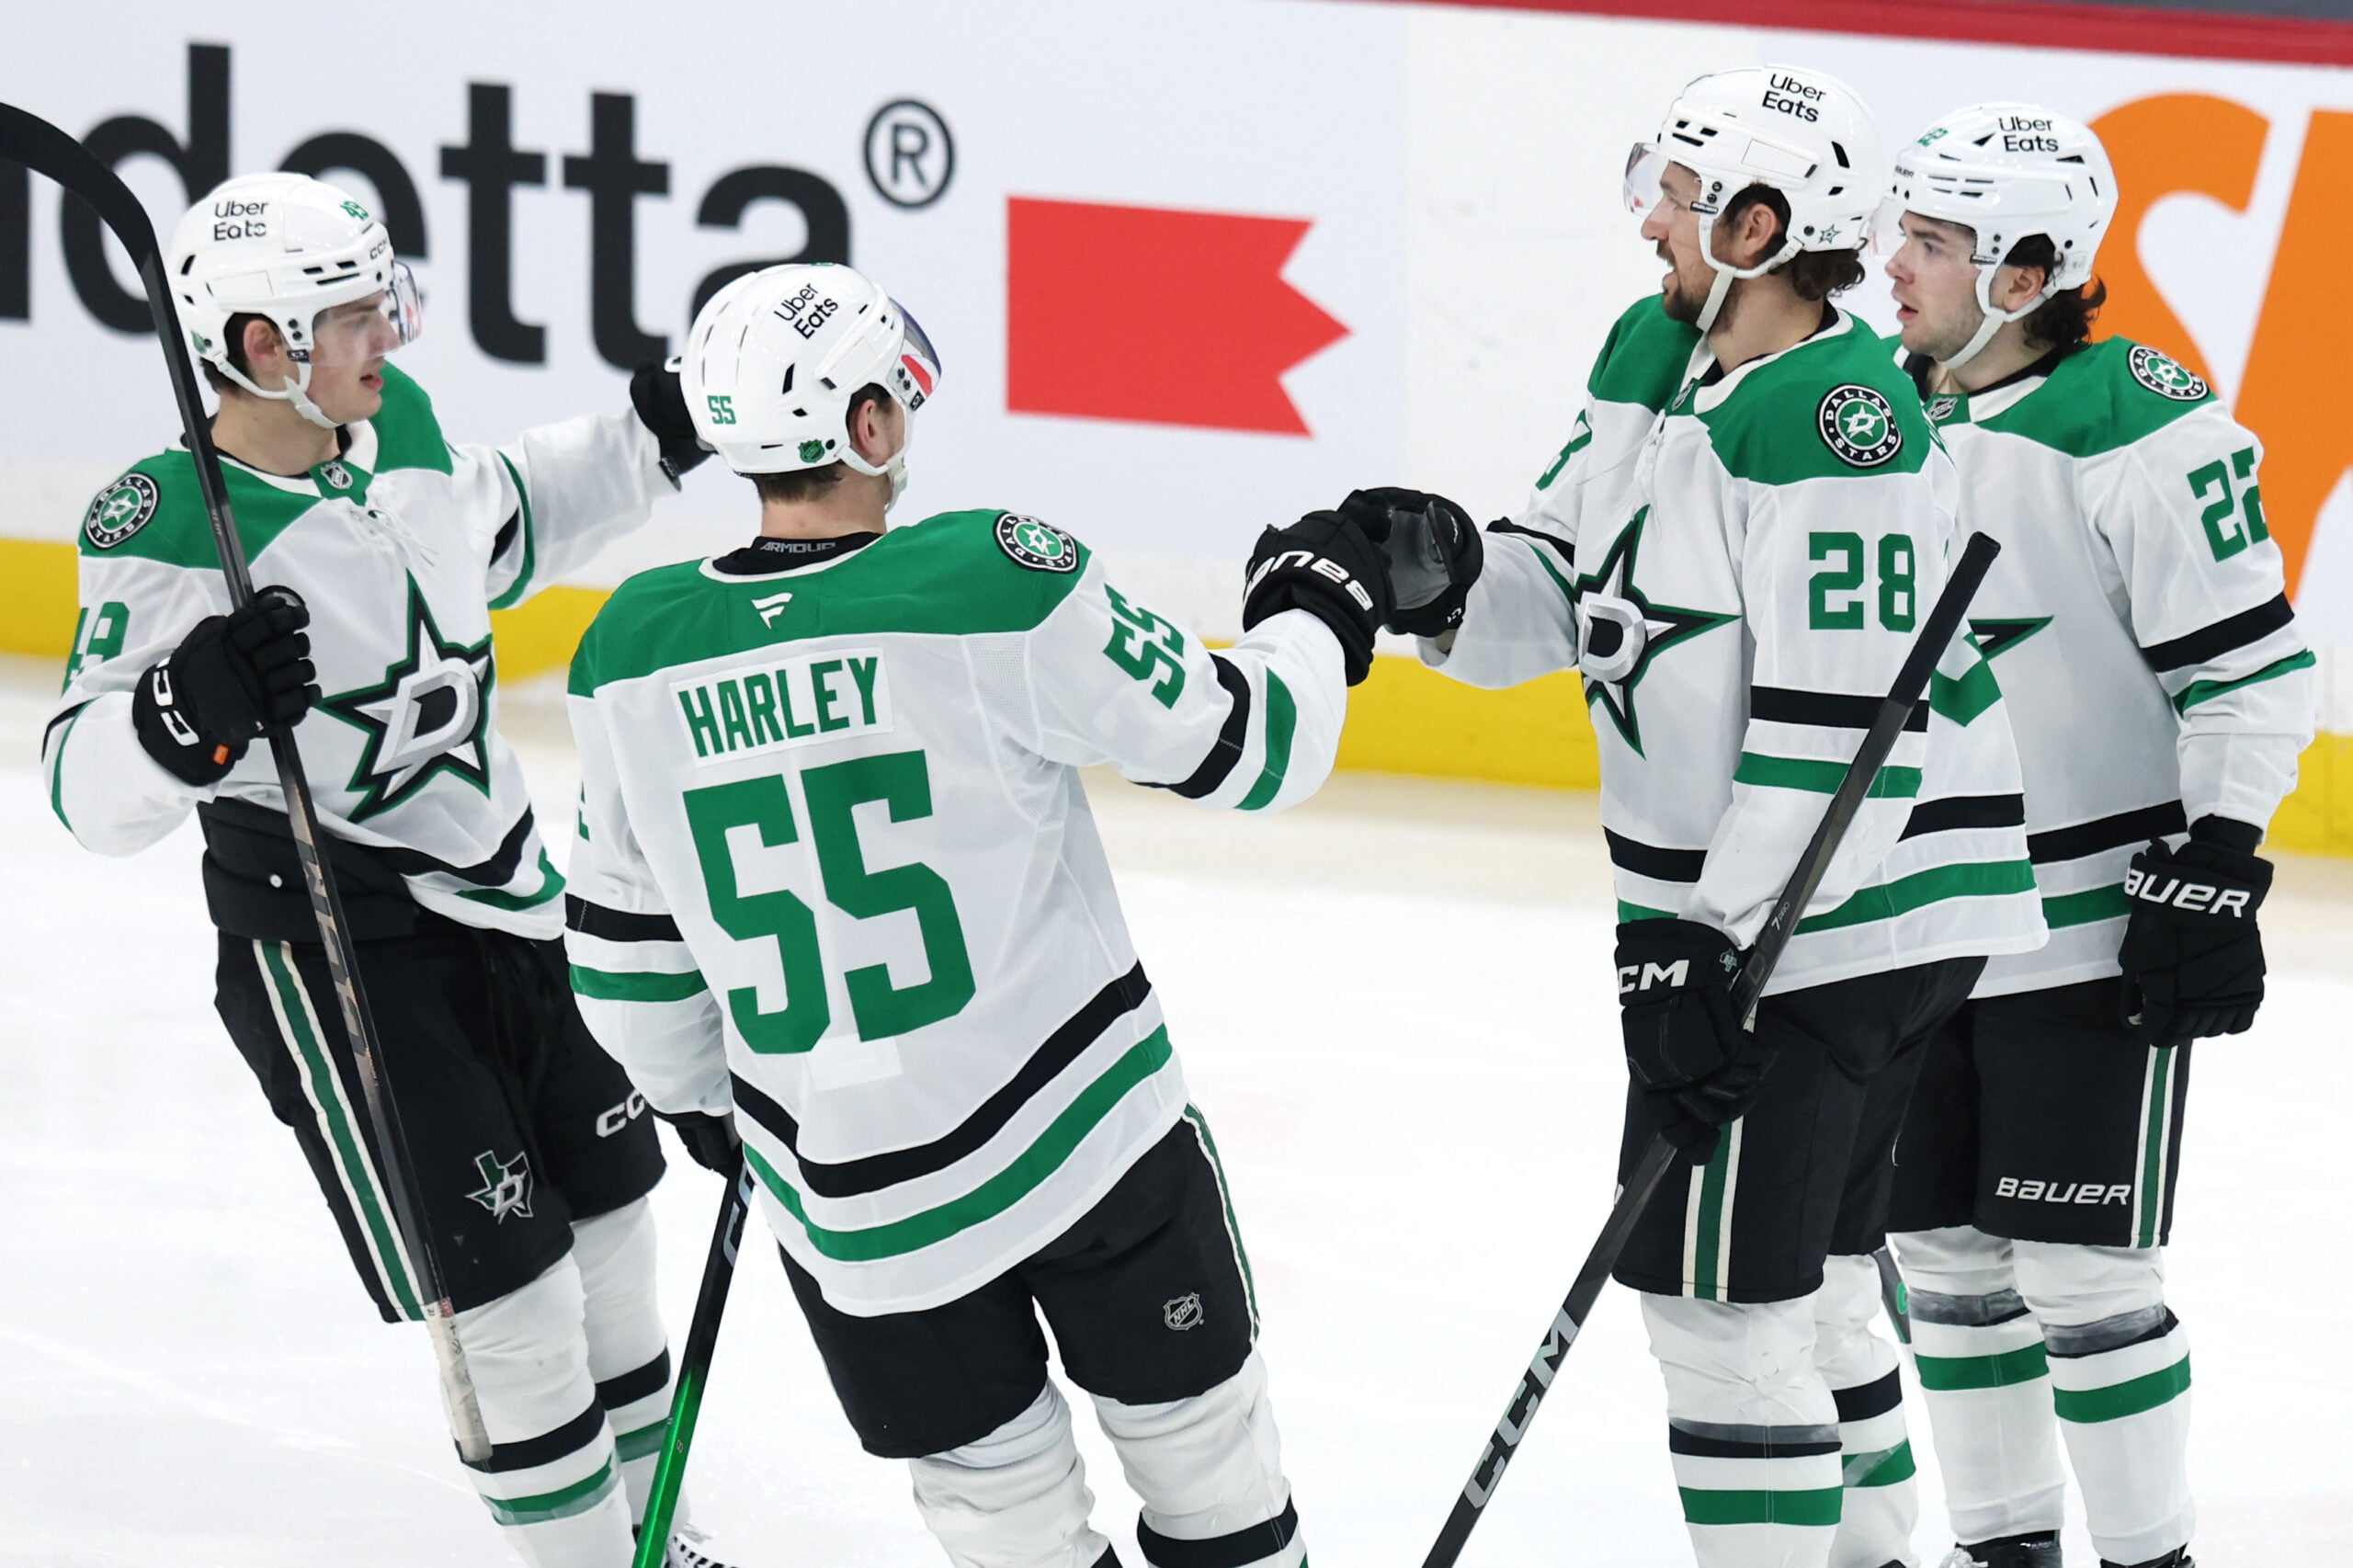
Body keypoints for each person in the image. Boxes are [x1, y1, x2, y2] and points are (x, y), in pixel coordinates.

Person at [562, 260, 1390, 1568]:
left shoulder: (628, 650)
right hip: (1086, 1147)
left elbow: (624, 974)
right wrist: (1314, 606)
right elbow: (1253, 747)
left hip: (856, 1206)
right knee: (1208, 1468)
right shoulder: (988, 578)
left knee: (1003, 1522)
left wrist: (716, 1112)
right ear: (868, 427)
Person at [1356, 66, 2047, 1568]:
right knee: (1817, 1283)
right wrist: (1439, 578)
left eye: (1674, 197)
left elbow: (1839, 744)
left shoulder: (1835, 422)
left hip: (1833, 923)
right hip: (1781, 920)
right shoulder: (1665, 351)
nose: (1648, 227)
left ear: (1756, 220)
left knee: (1721, 1317)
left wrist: (1708, 953)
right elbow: (1577, 576)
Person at [42, 172, 737, 1567]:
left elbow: (504, 511)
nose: (389, 339)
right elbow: (79, 788)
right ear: (259, 350)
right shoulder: (165, 527)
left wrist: (654, 436)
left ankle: (658, 1543)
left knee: (611, 1233)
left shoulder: (392, 426)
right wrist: (184, 710)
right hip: (340, 945)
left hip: (516, 900)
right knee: (511, 1302)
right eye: (354, 316)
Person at [1877, 104, 2316, 1568]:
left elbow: (2248, 667)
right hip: (1923, 923)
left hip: (2085, 924)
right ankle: (2004, 1549)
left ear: (2026, 267)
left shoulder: (2134, 416)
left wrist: (2223, 856)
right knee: (1943, 1258)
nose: (1895, 267)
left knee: (2082, 1268)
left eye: (1932, 243)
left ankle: (2150, 1558)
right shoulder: (1881, 409)